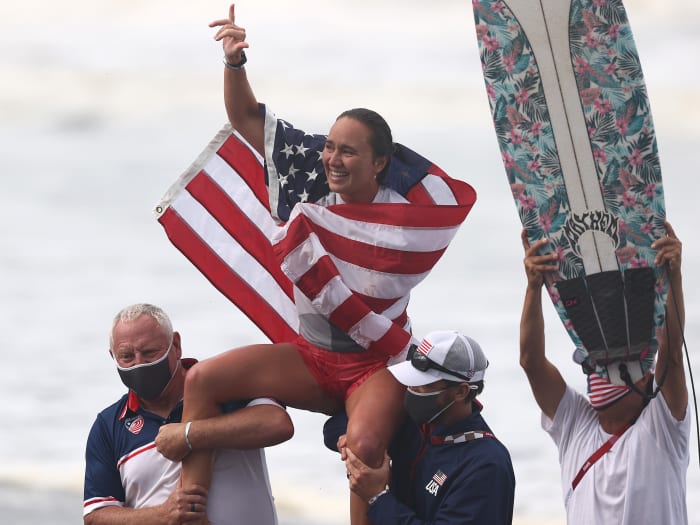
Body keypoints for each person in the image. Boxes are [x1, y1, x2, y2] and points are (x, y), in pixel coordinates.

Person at [158, 4, 477, 525]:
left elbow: (447, 213)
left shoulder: (404, 220)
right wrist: (234, 63)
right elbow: (246, 120)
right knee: (201, 381)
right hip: (311, 357)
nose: (333, 159)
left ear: (379, 162)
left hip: (374, 363)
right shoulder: (310, 181)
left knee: (364, 444)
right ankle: (188, 512)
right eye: (329, 147)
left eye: (348, 152)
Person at [519, 221, 690, 524]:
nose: (595, 372)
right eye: (590, 364)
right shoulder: (575, 425)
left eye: (609, 365)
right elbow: (531, 361)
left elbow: (672, 355)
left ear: (646, 377)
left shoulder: (663, 425)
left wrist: (671, 276)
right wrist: (534, 287)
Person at [83, 303, 294, 525]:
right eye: (126, 356)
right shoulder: (108, 425)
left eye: (149, 352)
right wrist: (163, 515)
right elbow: (97, 516)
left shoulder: (223, 385)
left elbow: (278, 424)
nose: (139, 363)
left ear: (176, 345)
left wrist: (188, 435)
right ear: (113, 357)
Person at [324, 330, 515, 524]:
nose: (411, 391)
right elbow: (334, 427)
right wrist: (362, 441)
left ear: (460, 391)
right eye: (410, 382)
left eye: (422, 386)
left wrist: (377, 496)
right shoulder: (416, 424)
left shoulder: (486, 466)